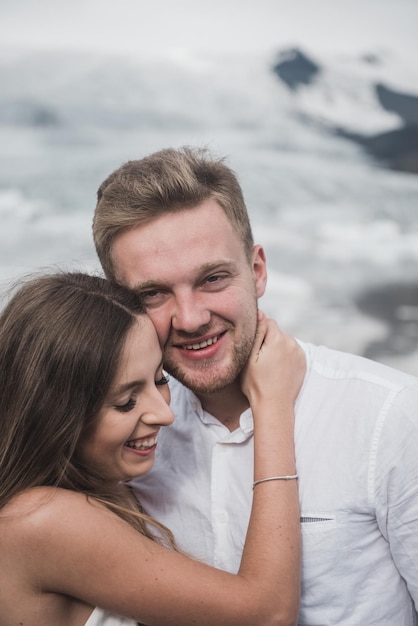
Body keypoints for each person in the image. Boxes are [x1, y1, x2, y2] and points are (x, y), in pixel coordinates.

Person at [93, 146, 418, 625]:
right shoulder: (121, 440)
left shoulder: (389, 416)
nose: (191, 318)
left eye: (212, 278)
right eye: (153, 293)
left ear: (258, 270)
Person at [0, 270, 304, 626]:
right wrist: (272, 405)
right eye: (127, 401)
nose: (165, 414)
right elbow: (268, 614)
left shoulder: (72, 499)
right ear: (55, 418)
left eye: (160, 380)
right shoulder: (42, 518)